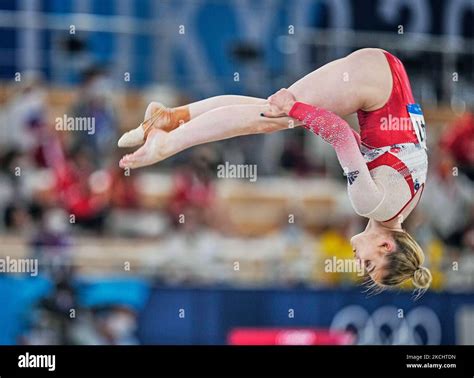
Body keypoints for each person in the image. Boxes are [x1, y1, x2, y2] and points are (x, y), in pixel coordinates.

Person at [117, 48, 431, 292]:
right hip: (374, 84)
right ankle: (167, 143)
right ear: (385, 246)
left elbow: (356, 140)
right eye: (368, 264)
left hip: (384, 76)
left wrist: (296, 112)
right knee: (272, 117)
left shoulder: (403, 205)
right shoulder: (370, 204)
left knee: (265, 113)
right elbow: (336, 132)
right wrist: (294, 110)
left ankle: (171, 119)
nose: (357, 263)